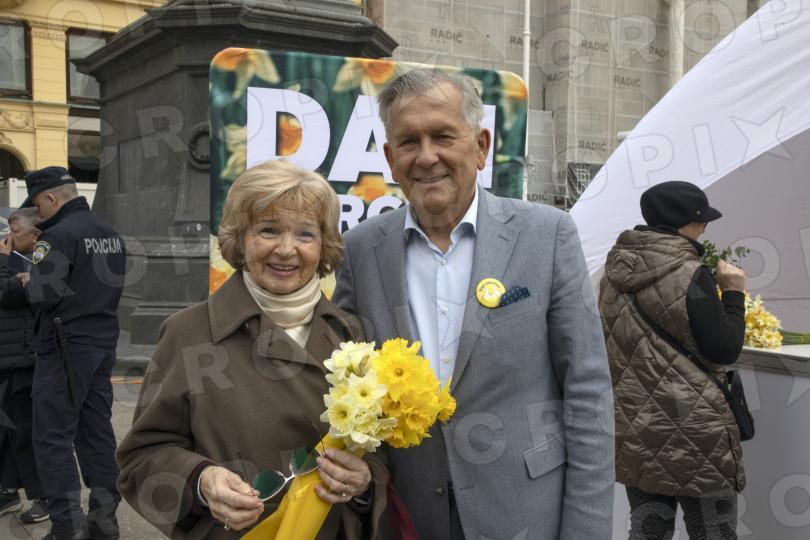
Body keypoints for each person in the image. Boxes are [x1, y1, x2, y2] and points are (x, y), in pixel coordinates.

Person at [332, 69, 615, 539]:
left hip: (525, 513)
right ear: (390, 159)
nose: (427, 157)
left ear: (481, 146)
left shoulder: (547, 235)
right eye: (408, 142)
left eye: (443, 136)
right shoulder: (361, 251)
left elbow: (587, 392)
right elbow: (347, 379)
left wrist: (586, 531)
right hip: (407, 517)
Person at [117, 160, 389, 539]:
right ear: (240, 239)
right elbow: (140, 458)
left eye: (305, 234)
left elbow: (378, 451)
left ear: (323, 245)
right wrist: (201, 481)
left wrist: (365, 481)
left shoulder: (351, 333)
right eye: (268, 230)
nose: (286, 249)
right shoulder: (188, 333)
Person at [598, 181, 747, 539]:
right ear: (686, 222)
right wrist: (733, 294)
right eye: (702, 220)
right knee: (713, 532)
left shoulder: (612, 274)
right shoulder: (692, 274)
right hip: (697, 430)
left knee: (649, 531)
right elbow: (724, 348)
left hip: (636, 426)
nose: (705, 228)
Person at [20, 166, 126, 540]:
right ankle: (103, 520)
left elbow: (43, 295)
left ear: (51, 198)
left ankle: (67, 527)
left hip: (64, 347)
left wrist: (27, 281)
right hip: (101, 343)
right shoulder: (110, 235)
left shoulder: (57, 236)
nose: (37, 213)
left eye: (37, 204)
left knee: (52, 437)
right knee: (96, 432)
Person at [0, 208, 48, 524]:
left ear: (34, 235)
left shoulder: (35, 261)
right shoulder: (14, 261)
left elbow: (8, 293)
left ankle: (45, 495)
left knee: (25, 430)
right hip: (8, 356)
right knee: (7, 429)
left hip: (22, 357)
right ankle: (8, 489)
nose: (9, 237)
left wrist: (4, 264)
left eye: (15, 231)